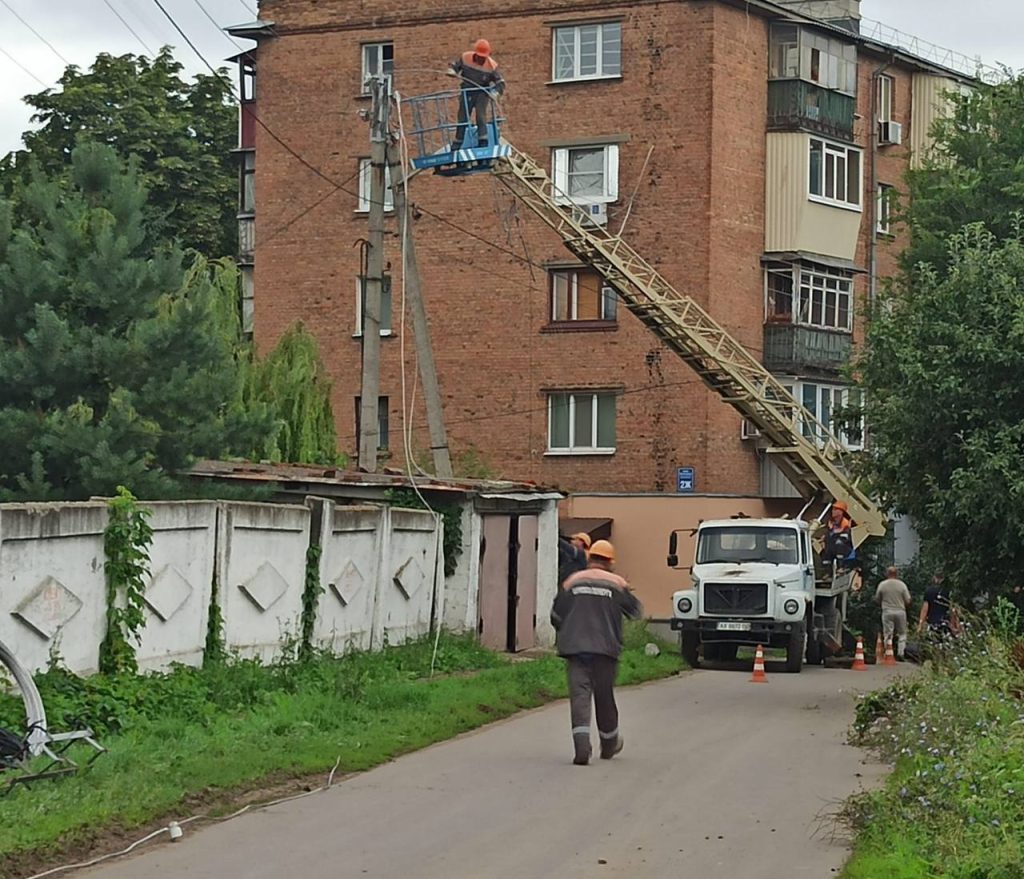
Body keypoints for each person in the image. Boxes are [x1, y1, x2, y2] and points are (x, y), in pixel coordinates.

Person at [550, 539, 642, 766]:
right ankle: (609, 743)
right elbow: (635, 611)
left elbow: (556, 616)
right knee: (604, 696)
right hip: (605, 649)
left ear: (590, 558)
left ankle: (582, 747)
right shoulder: (617, 584)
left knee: (580, 696)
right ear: (610, 561)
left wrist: (568, 630)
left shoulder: (571, 582)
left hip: (575, 648)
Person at [447, 39, 505, 150]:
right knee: (463, 117)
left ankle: (483, 140)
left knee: (480, 116)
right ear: (476, 54)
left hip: (481, 93)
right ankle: (458, 142)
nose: (481, 59)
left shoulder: (491, 66)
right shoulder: (466, 58)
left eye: (484, 57)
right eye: (480, 56)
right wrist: (452, 71)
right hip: (467, 91)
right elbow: (454, 66)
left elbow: (501, 83)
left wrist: (495, 92)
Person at [875, 566, 912, 660]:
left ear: (887, 574)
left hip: (887, 611)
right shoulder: (902, 585)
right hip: (900, 611)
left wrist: (882, 603)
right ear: (897, 574)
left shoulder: (882, 585)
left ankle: (888, 652)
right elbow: (908, 600)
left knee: (888, 633)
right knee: (902, 633)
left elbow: (877, 598)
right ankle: (901, 653)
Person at [918, 573, 959, 638]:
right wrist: (954, 626)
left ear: (934, 578)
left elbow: (925, 610)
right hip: (946, 622)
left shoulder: (929, 591)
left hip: (933, 622)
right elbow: (952, 610)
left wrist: (920, 625)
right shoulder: (948, 592)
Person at [822, 500, 856, 569]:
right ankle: (827, 571)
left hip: (844, 547)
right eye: (833, 509)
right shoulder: (831, 522)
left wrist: (834, 533)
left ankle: (841, 567)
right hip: (833, 545)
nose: (832, 511)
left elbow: (844, 536)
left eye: (835, 509)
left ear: (841, 512)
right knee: (825, 551)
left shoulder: (845, 522)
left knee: (839, 544)